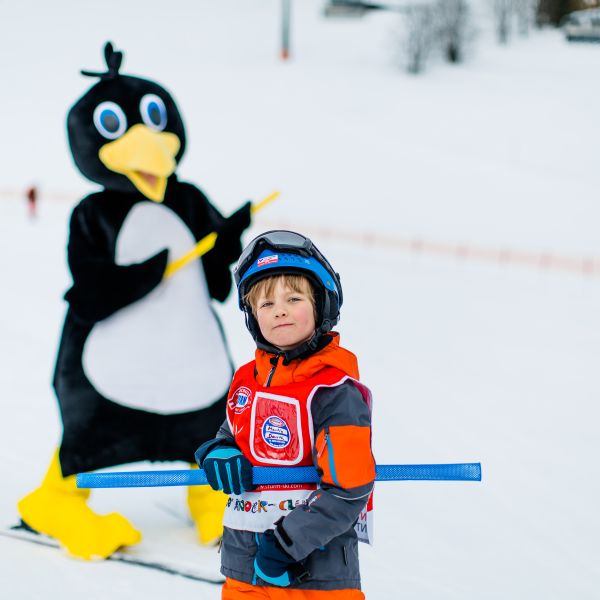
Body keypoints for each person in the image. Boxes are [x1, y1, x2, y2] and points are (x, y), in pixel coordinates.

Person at [195, 230, 376, 598]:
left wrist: (285, 544)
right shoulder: (248, 380)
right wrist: (218, 451)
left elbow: (348, 488)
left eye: (293, 298)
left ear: (321, 305)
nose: (279, 310)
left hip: (313, 576)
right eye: (265, 304)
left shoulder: (333, 392)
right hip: (244, 570)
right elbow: (233, 433)